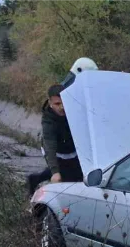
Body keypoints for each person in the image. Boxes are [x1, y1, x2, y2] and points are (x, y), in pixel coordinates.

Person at [26, 57, 99, 195]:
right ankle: (36, 179)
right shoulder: (49, 120)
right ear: (51, 103)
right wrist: (55, 172)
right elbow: (49, 145)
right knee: (65, 175)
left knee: (75, 172)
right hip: (57, 148)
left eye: (63, 103)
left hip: (70, 143)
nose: (62, 107)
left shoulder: (72, 93)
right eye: (57, 105)